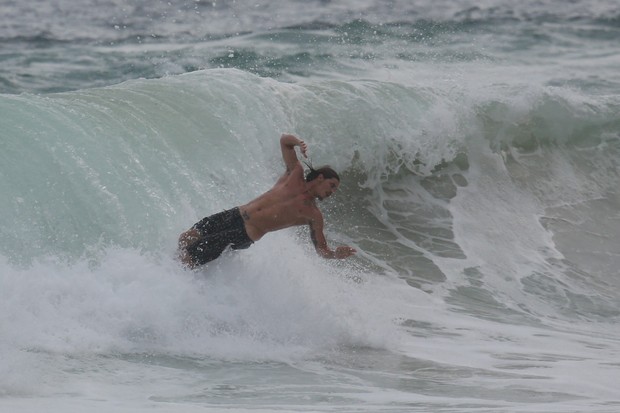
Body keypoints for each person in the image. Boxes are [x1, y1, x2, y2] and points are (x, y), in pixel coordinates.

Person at [178, 133, 357, 269]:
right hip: (235, 214)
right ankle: (174, 273)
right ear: (320, 178)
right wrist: (299, 143)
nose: (332, 192)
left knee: (191, 257)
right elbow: (285, 141)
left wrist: (334, 254)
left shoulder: (313, 215)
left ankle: (176, 287)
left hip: (245, 233)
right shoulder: (294, 174)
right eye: (332, 185)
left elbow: (321, 249)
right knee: (186, 238)